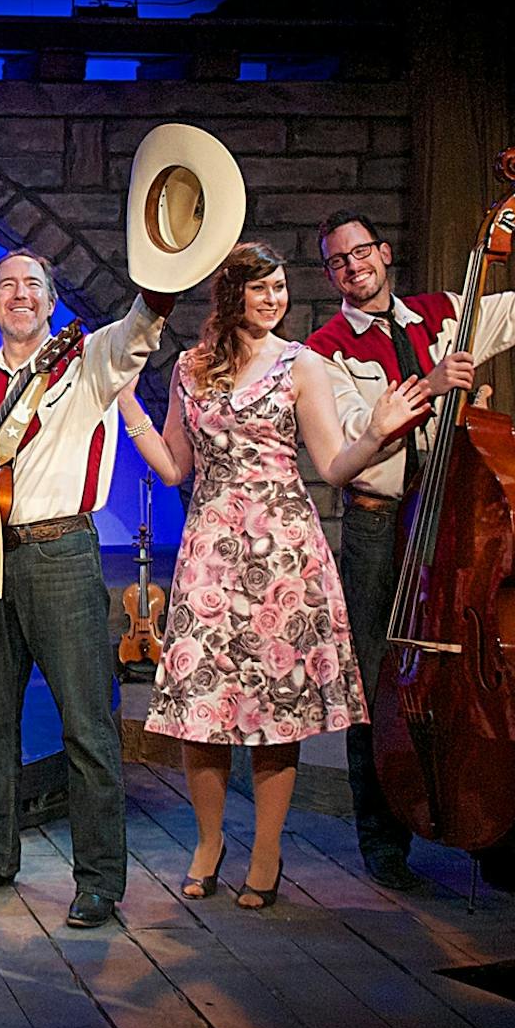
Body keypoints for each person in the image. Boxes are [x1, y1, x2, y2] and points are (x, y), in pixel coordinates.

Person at [307, 209, 515, 900]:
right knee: (380, 679)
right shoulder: (323, 352)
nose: (353, 269)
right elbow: (356, 438)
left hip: (453, 511)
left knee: (481, 681)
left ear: (385, 253)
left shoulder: (447, 313)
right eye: (337, 262)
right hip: (380, 525)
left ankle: (500, 839)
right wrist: (431, 393)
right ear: (330, 275)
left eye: (361, 253)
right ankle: (385, 842)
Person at [118, 241, 427, 909]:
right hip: (210, 552)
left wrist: (376, 432)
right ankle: (208, 842)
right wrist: (129, 409)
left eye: (281, 288)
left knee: (273, 712)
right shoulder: (191, 368)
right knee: (202, 710)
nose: (274, 299)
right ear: (230, 295)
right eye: (261, 289)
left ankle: (266, 850)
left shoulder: (301, 364)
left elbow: (334, 464)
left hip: (283, 553)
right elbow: (174, 468)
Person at [0, 249, 176, 929]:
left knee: (86, 722)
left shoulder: (85, 364)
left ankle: (99, 881)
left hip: (60, 555)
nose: (21, 295)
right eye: (6, 287)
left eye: (34, 286)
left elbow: (142, 325)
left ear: (51, 304)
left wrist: (163, 276)